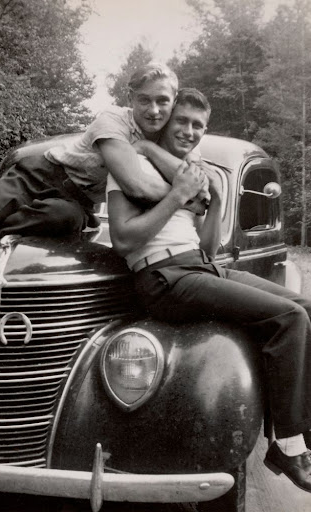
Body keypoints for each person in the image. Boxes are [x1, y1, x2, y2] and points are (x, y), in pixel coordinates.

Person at [107, 87, 311, 493]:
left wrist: (215, 202)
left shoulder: (191, 169)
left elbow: (208, 246)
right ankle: (287, 446)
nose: (188, 131)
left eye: (198, 125)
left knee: (305, 305)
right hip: (163, 277)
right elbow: (124, 242)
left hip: (199, 265)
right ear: (167, 121)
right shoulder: (133, 166)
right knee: (288, 320)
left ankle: (299, 423)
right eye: (181, 121)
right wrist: (178, 196)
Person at [0, 62, 207, 273]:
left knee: (67, 218)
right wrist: (183, 194)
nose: (153, 110)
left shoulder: (175, 135)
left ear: (174, 101)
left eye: (162, 101)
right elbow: (136, 185)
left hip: (79, 203)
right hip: (37, 177)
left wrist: (150, 150)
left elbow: (201, 186)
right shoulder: (112, 120)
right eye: (144, 100)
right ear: (130, 98)